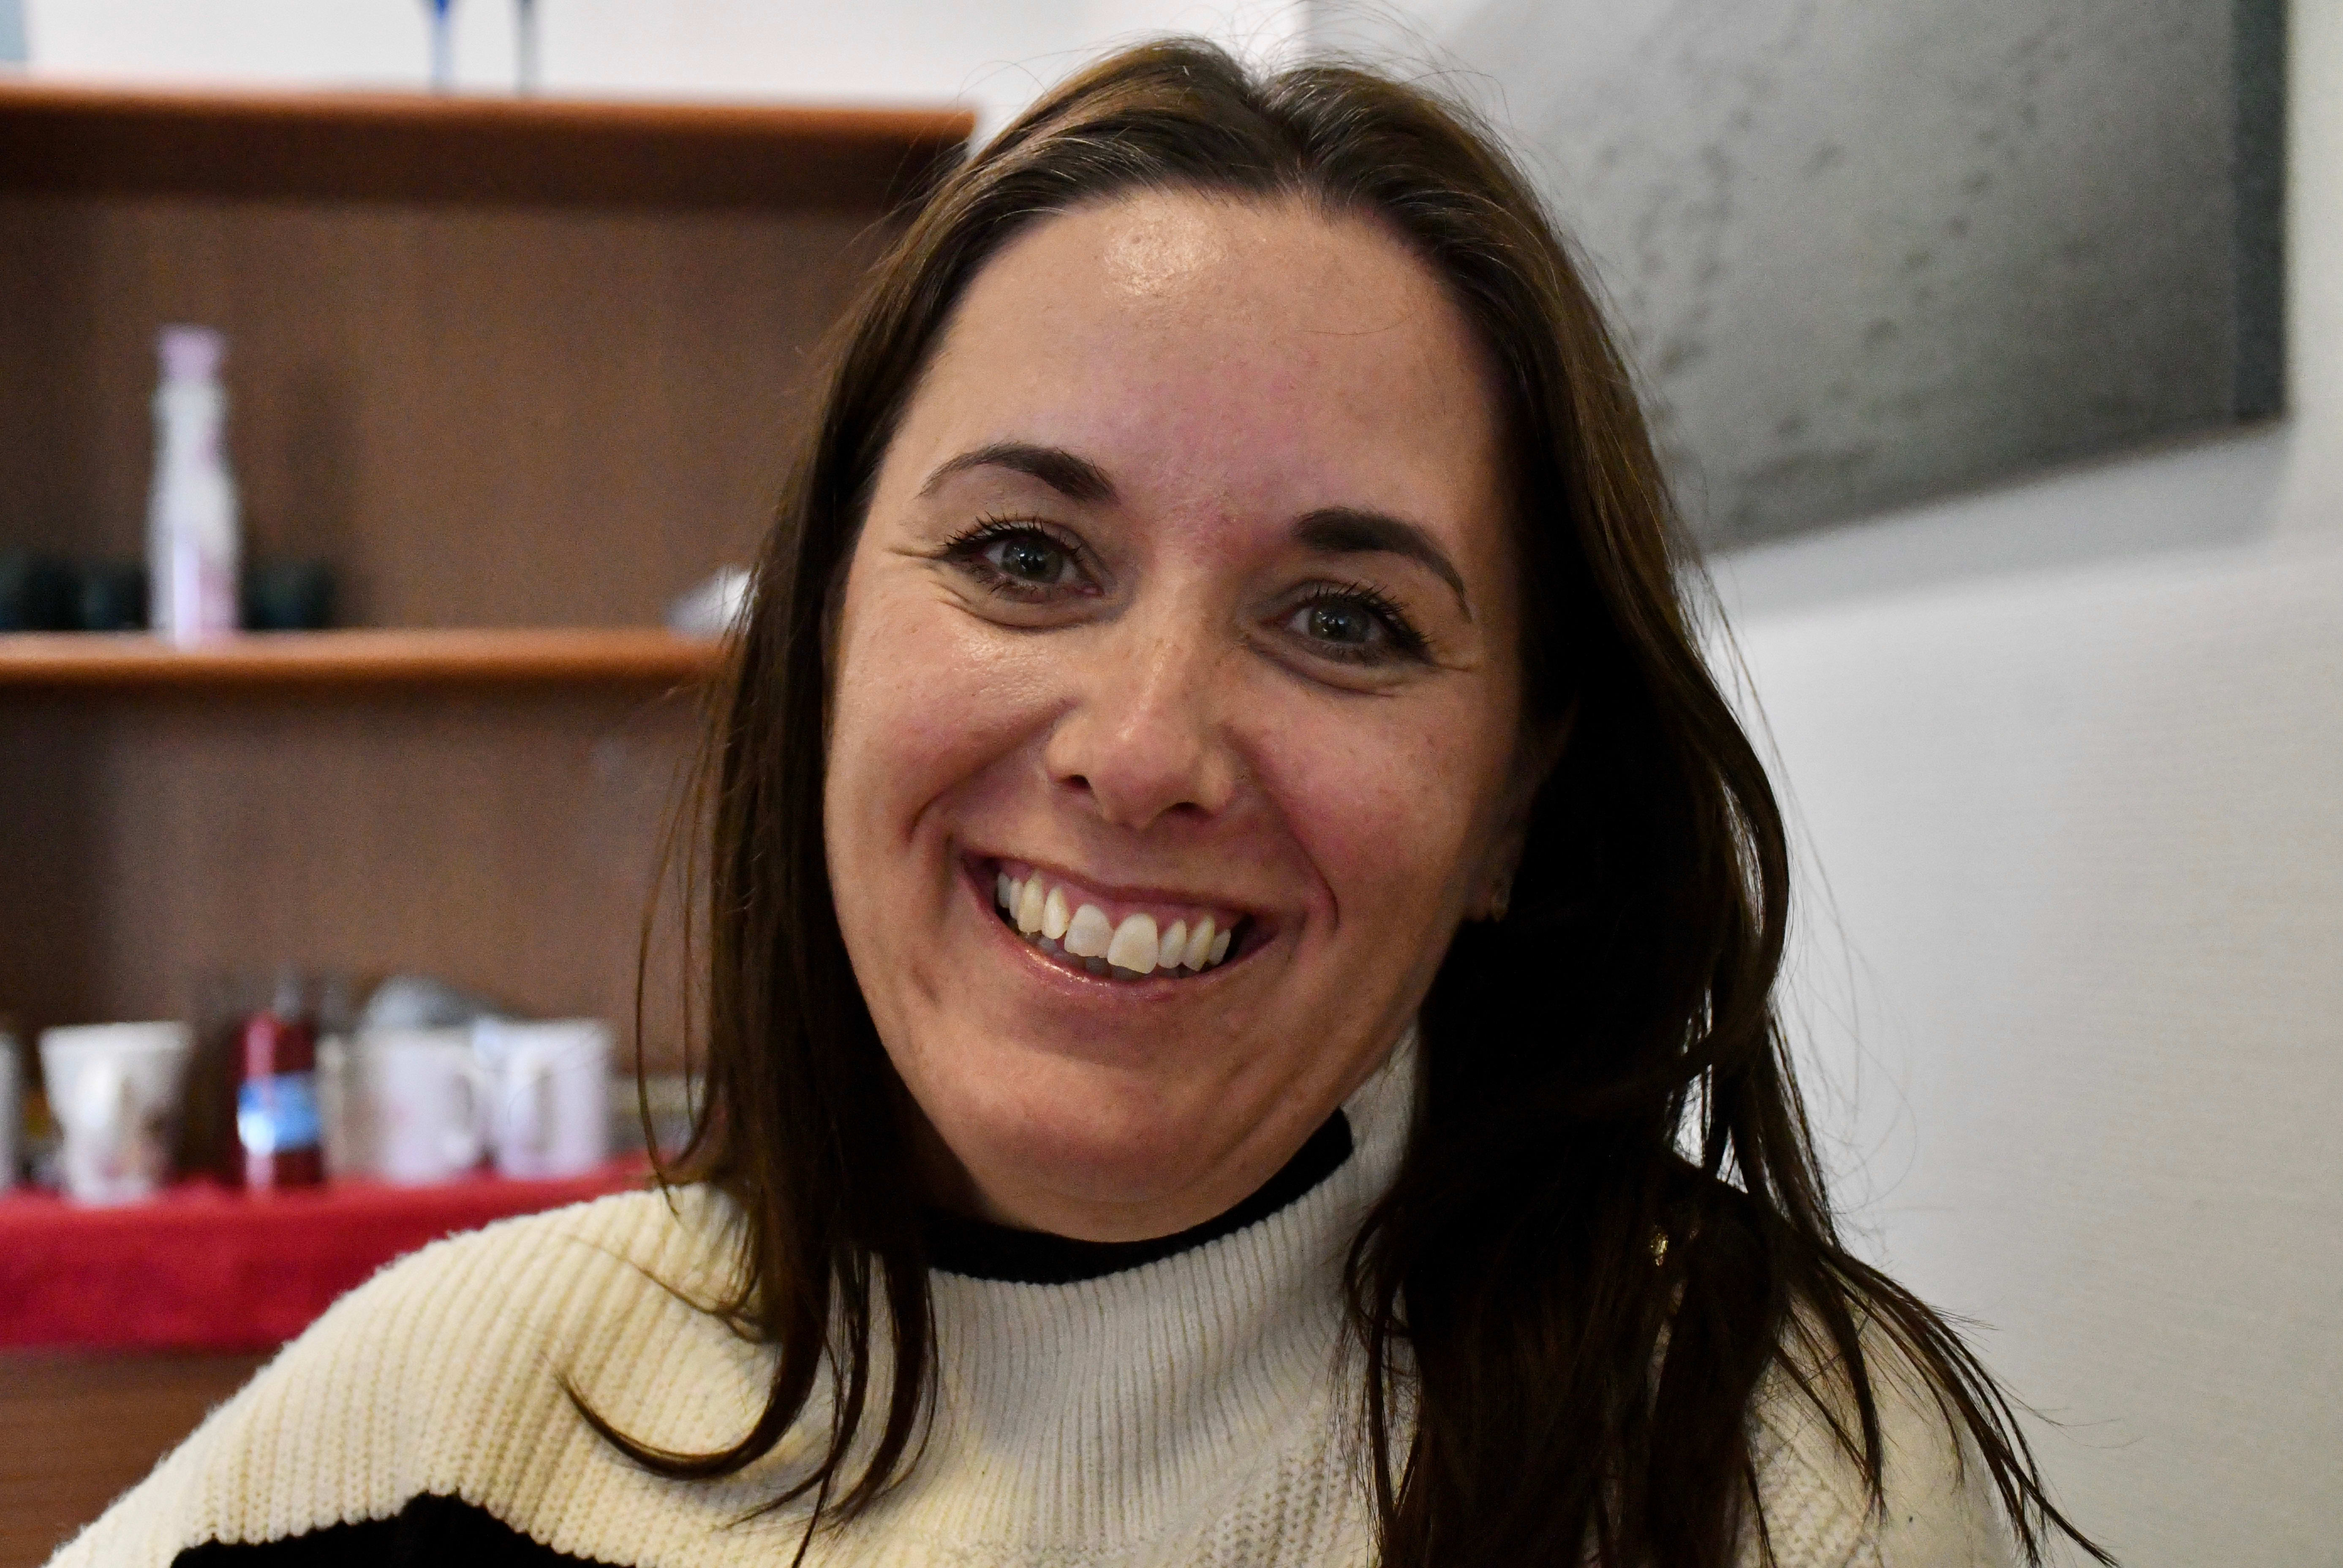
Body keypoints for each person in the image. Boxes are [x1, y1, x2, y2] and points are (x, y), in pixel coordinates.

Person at [58, 40, 2104, 1568]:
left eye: (1346, 619)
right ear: (823, 643)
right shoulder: (448, 1414)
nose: (1143, 748)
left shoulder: (1764, 1470)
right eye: (1026, 556)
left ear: (1512, 807)